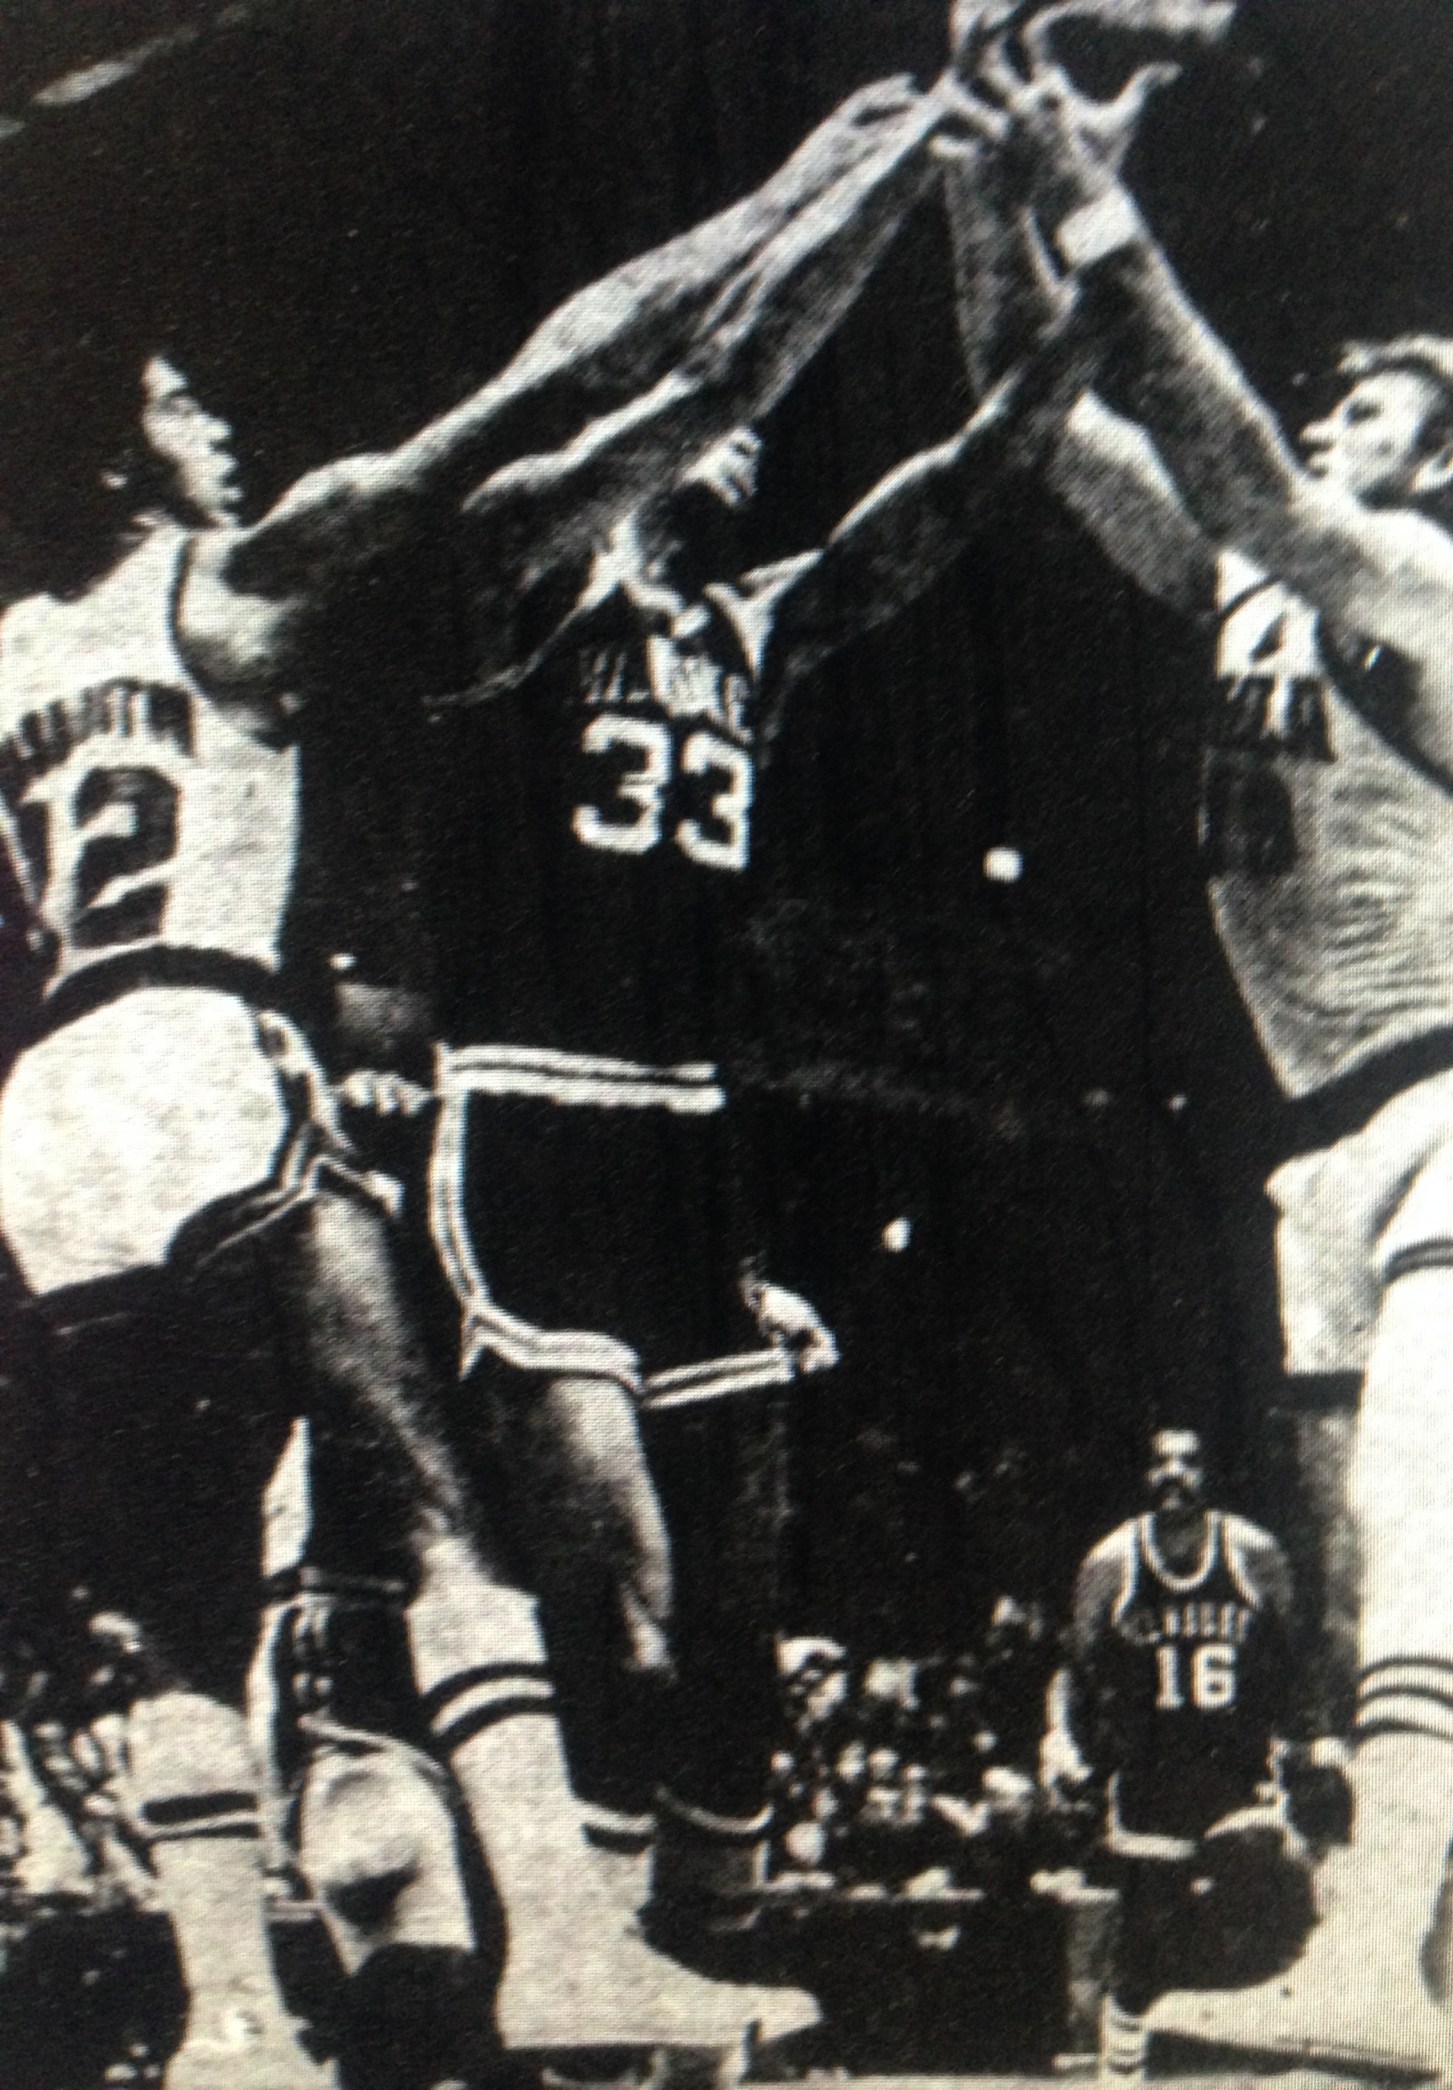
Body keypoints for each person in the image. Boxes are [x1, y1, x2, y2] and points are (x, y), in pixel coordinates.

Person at [0, 72, 983, 2086]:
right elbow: (561, 382)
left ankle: (229, 2027)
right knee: (437, 1509)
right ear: (120, 451)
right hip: (200, 1050)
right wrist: (831, 172)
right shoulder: (237, 582)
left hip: (48, 1117)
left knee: (176, 1603)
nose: (217, 425)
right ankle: (566, 1951)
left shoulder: (11, 647)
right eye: (182, 408)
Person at [422, 27, 1118, 1956]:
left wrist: (1080, 290)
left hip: (692, 1144)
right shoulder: (520, 562)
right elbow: (720, 373)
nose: (746, 441)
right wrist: (907, 154)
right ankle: (568, 1971)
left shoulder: (756, 621)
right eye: (705, 422)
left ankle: (697, 1973)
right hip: (534, 1114)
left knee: (739, 1621)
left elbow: (963, 487)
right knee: (624, 1592)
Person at [945, 8, 1453, 2074]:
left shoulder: (1439, 596)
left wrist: (1097, 204)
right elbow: (1028, 418)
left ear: (1438, 454)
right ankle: (1425, 2000)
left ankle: (1376, 1973)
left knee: (1411, 1504)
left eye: (1365, 405)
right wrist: (981, 160)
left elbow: (1256, 488)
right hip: (1322, 1143)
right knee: (1371, 1575)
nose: (1325, 416)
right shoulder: (1248, 571)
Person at [1040, 1428, 1300, 2081]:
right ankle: (1121, 2068)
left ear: (1210, 1473)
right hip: (1152, 1775)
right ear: (1144, 1474)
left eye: (1188, 1461)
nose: (1173, 1473)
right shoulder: (1111, 1561)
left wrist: (1312, 1736)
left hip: (1234, 1768)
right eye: (1160, 1461)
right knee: (1146, 1942)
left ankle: (1278, 2052)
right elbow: (1073, 1668)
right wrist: (1060, 1739)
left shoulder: (1253, 1552)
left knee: (1261, 1891)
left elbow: (1295, 1655)